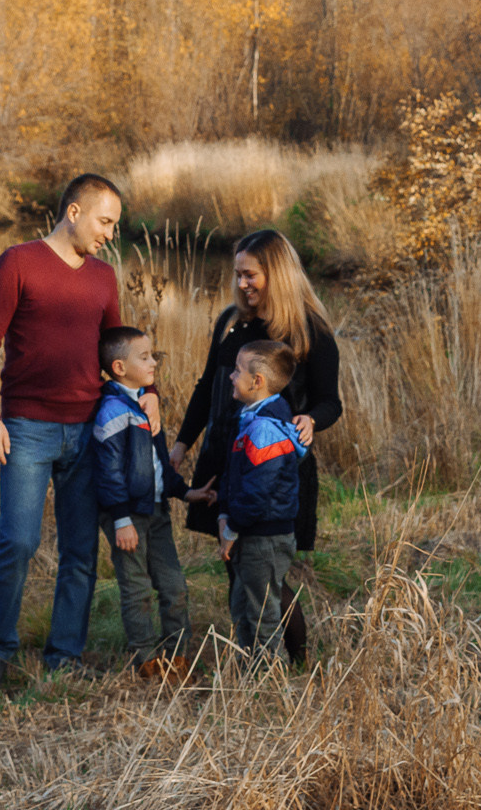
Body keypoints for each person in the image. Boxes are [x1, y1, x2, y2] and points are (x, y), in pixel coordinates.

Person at [0, 172, 124, 693]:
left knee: (81, 551)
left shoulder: (104, 277)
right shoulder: (18, 262)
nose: (109, 233)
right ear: (74, 212)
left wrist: (146, 392)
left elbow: (115, 353)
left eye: (115, 225)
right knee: (18, 541)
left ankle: (64, 656)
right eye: (105, 221)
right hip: (26, 429)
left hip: (87, 431)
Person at [173, 227, 340, 663]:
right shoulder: (231, 322)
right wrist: (181, 445)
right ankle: (254, 654)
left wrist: (311, 418)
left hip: (275, 467)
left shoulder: (309, 331)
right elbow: (207, 386)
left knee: (267, 572)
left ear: (278, 274)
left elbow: (330, 401)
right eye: (238, 274)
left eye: (251, 275)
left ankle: (295, 660)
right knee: (239, 566)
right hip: (224, 458)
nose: (242, 284)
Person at [91, 325, 191, 680]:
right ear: (119, 368)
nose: (154, 363)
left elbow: (159, 461)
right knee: (137, 589)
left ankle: (179, 657)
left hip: (157, 510)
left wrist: (184, 491)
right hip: (128, 516)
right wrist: (120, 519)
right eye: (144, 357)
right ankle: (148, 662)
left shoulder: (146, 405)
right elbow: (108, 472)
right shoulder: (112, 412)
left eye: (153, 355)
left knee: (174, 586)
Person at [197, 338, 305, 660]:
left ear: (257, 382)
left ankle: (270, 678)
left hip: (265, 536)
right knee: (243, 605)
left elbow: (257, 492)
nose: (231, 376)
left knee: (262, 613)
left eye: (237, 371)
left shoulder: (265, 430)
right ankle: (248, 671)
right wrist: (223, 515)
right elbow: (233, 475)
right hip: (251, 531)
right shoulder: (248, 418)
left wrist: (232, 528)